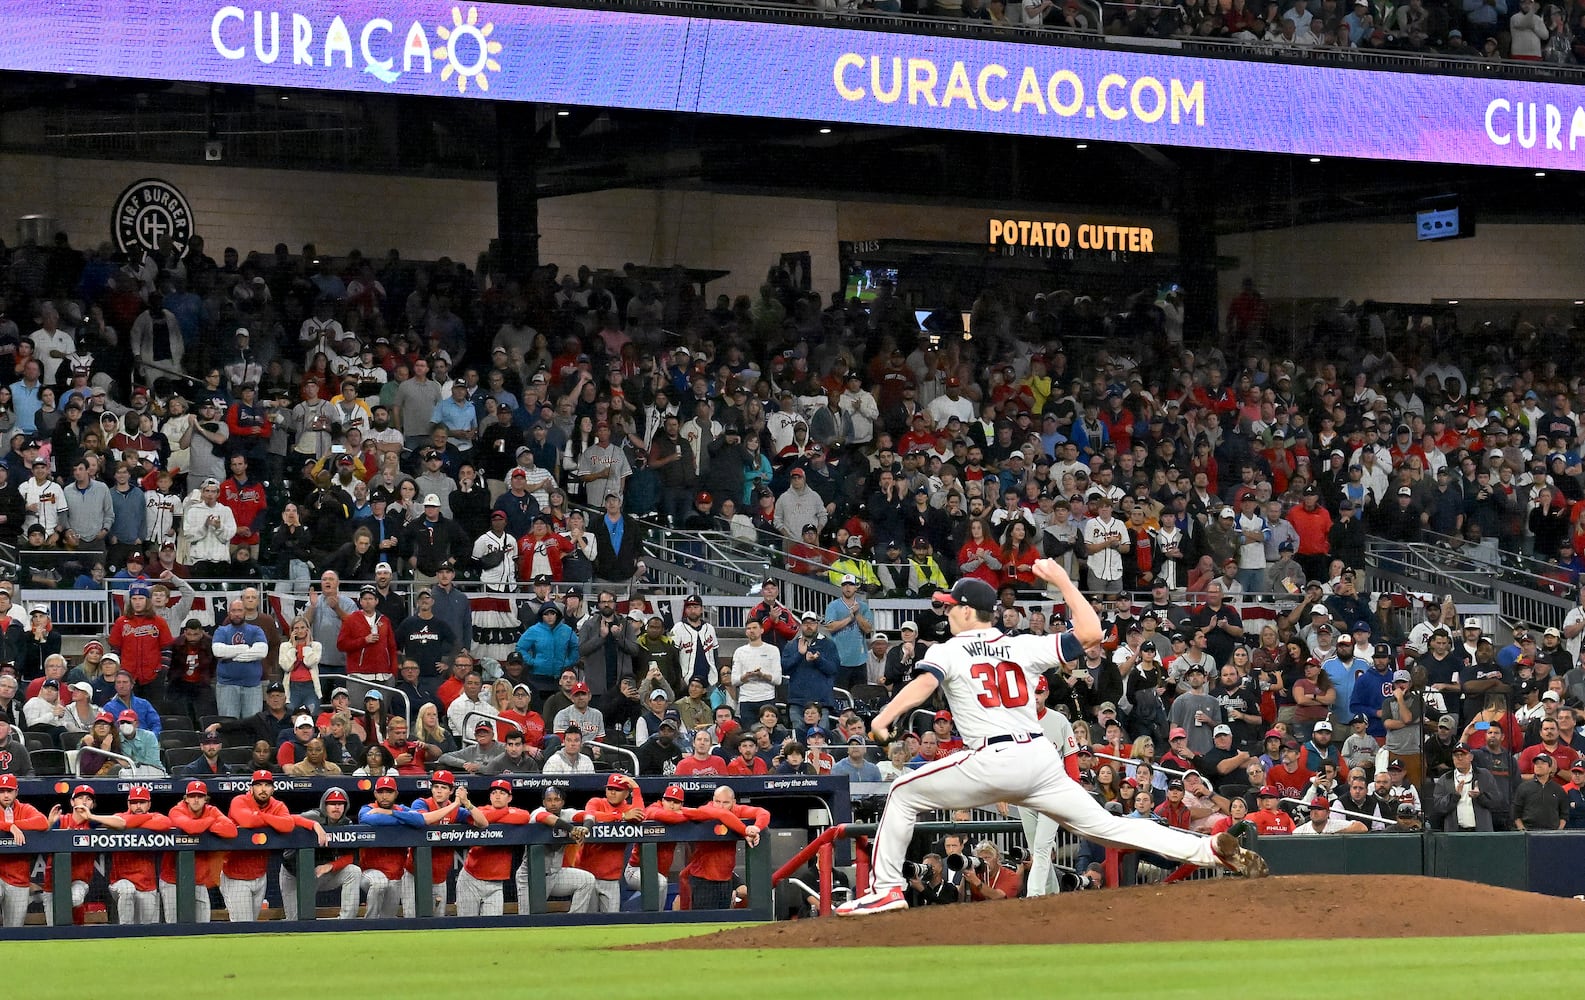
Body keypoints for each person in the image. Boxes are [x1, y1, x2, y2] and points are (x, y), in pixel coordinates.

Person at [836, 564, 1267, 917]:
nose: (946, 612)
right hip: (1039, 758)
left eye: (951, 606)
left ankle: (888, 888)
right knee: (1112, 828)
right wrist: (1062, 580)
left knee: (902, 789)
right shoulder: (1023, 645)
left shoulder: (946, 650)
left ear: (968, 612)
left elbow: (922, 687)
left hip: (994, 756)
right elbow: (1093, 634)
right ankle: (1210, 849)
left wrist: (888, 715)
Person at [222, 770, 328, 922]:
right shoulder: (239, 801)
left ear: (273, 789)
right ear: (251, 788)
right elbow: (248, 822)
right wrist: (273, 820)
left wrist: (313, 823)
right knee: (243, 927)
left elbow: (287, 824)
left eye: (267, 785)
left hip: (260, 875)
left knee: (251, 925)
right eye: (258, 785)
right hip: (235, 875)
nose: (263, 789)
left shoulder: (277, 805)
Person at [279, 787, 363, 921]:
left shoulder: (347, 823)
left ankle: (346, 922)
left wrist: (330, 866)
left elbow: (350, 856)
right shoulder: (313, 816)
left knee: (353, 871)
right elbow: (289, 819)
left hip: (320, 872)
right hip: (294, 874)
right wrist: (314, 825)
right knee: (295, 921)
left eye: (340, 804)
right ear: (324, 805)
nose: (336, 807)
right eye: (332, 804)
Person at [679, 785, 768, 909]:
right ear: (713, 800)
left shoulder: (736, 810)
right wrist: (745, 831)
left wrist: (756, 828)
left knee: (724, 921)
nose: (720, 806)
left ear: (733, 802)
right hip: (703, 879)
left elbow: (763, 813)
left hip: (726, 878)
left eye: (725, 803)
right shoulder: (706, 809)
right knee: (704, 922)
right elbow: (722, 814)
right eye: (717, 801)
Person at [457, 779, 533, 917]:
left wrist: (492, 817)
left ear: (510, 797)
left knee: (492, 927)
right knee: (466, 927)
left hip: (496, 884)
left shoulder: (518, 812)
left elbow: (524, 817)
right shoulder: (480, 810)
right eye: (494, 792)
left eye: (502, 793)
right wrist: (505, 812)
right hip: (470, 879)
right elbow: (481, 819)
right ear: (490, 796)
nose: (497, 796)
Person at [520, 785, 597, 914]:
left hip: (555, 874)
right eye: (549, 800)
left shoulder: (567, 813)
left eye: (557, 799)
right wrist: (572, 829)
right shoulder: (537, 812)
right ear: (544, 802)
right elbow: (547, 818)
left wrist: (586, 828)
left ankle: (573, 923)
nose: (553, 803)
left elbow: (589, 814)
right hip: (530, 876)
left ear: (562, 802)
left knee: (587, 880)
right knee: (528, 919)